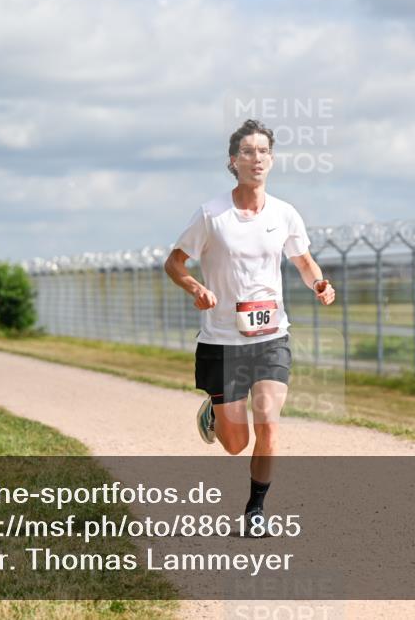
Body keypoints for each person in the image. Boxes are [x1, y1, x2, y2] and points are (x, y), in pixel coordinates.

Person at [164, 119, 335, 535]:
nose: (256, 158)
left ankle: (255, 510)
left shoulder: (284, 213)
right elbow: (174, 263)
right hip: (222, 341)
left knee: (269, 421)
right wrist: (195, 287)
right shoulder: (212, 214)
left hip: (271, 336)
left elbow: (304, 261)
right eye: (247, 152)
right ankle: (215, 412)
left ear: (271, 160)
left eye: (263, 151)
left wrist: (318, 282)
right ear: (233, 161)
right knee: (235, 444)